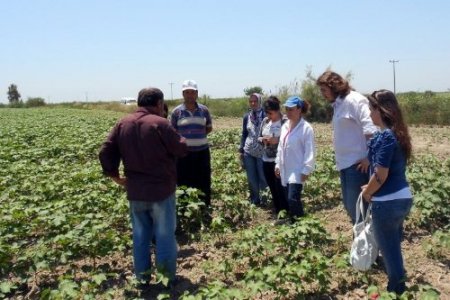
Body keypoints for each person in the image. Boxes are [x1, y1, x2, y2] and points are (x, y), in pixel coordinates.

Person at [99, 87, 187, 284]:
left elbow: (105, 151)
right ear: (158, 104)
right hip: (161, 190)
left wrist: (114, 175)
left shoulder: (123, 123)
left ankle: (142, 279)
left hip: (136, 191)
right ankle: (166, 278)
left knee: (140, 236)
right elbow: (181, 147)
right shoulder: (160, 123)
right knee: (164, 236)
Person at [361, 90, 413, 295]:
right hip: (402, 199)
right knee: (394, 247)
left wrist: (368, 193)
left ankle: (396, 291)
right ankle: (397, 286)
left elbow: (381, 174)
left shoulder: (386, 137)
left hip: (387, 203)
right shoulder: (397, 134)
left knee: (389, 252)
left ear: (380, 110)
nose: (369, 114)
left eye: (371, 109)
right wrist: (370, 187)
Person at [316, 71, 377, 224]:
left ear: (334, 86)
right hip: (344, 163)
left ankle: (366, 242)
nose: (322, 94)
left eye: (324, 90)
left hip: (357, 165)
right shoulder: (339, 104)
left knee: (358, 208)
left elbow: (371, 130)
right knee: (351, 207)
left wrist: (369, 157)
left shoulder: (355, 100)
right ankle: (361, 241)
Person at [171, 80, 213, 207]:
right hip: (183, 153)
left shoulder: (204, 110)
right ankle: (185, 207)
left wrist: (197, 137)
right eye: (187, 92)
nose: (190, 95)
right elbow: (173, 132)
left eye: (192, 92)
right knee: (183, 180)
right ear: (183, 94)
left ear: (197, 94)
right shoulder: (176, 112)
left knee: (203, 179)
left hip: (202, 151)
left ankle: (204, 206)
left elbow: (209, 128)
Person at [275, 96, 315, 219]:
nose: (288, 112)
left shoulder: (306, 128)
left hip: (297, 170)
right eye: (287, 109)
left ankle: (301, 223)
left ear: (299, 109)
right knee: (289, 199)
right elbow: (280, 147)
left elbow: (310, 150)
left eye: (291, 109)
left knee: (293, 198)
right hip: (285, 168)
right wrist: (277, 164)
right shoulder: (285, 126)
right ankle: (293, 222)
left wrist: (306, 169)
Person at [258, 96, 289, 216]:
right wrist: (263, 140)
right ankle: (278, 212)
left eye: (271, 113)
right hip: (266, 160)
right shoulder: (265, 121)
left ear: (277, 110)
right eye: (267, 113)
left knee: (281, 188)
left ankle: (286, 212)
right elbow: (259, 137)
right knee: (272, 187)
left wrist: (277, 140)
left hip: (280, 160)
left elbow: (291, 139)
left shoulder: (285, 121)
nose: (269, 116)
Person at [239, 93, 267, 205]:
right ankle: (255, 200)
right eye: (251, 101)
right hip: (249, 151)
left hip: (262, 152)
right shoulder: (247, 116)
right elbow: (244, 133)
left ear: (260, 101)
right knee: (251, 178)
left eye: (255, 101)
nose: (253, 103)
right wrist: (241, 150)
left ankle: (266, 199)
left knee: (263, 177)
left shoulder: (266, 115)